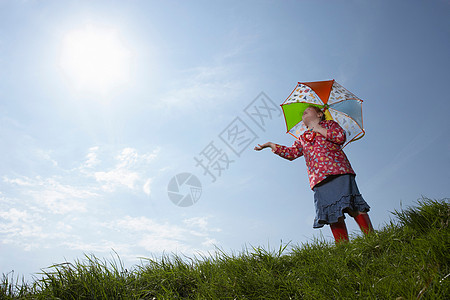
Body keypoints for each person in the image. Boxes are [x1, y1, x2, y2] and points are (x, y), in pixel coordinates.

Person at [254, 106, 373, 243]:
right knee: (332, 213)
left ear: (319, 114)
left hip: (338, 171)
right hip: (319, 179)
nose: (303, 112)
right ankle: (343, 248)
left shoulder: (329, 124)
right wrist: (270, 145)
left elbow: (340, 137)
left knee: (353, 205)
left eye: (308, 110)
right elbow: (292, 153)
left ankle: (372, 239)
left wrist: (320, 129)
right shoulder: (303, 137)